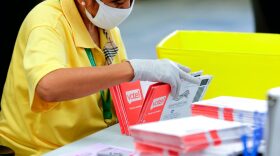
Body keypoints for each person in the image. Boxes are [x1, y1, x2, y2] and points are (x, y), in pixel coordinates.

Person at [0, 0, 199, 155]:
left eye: (128, 1)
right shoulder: (47, 22)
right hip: (45, 147)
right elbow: (48, 86)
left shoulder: (105, 26)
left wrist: (159, 100)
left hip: (96, 139)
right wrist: (133, 69)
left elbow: (116, 87)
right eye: (115, 3)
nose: (124, 8)